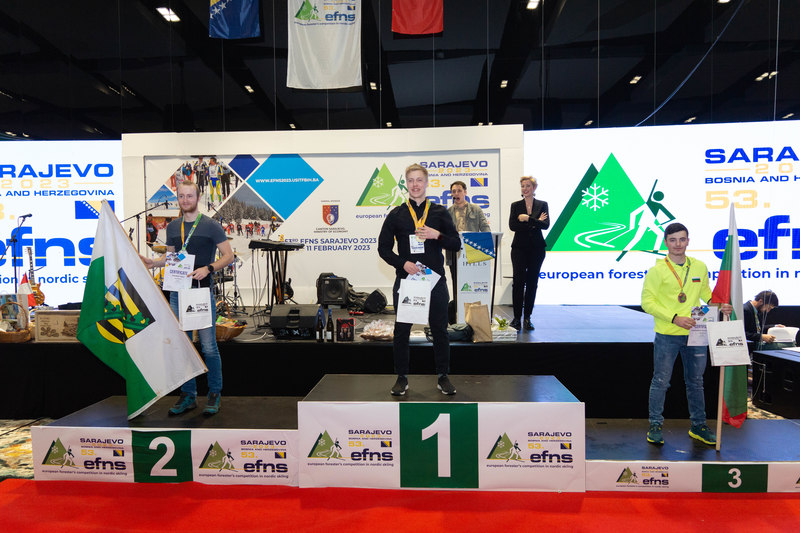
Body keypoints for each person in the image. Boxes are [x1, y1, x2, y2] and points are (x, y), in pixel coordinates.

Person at [140, 180, 234, 416]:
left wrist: (209, 268)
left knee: (209, 347)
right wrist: (153, 262)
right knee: (183, 346)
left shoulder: (211, 226)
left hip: (201, 292)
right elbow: (172, 259)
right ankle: (188, 395)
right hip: (177, 294)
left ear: (198, 198)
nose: (185, 200)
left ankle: (214, 393)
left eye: (189, 196)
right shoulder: (173, 227)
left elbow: (229, 256)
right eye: (181, 196)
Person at [641, 222, 732, 446]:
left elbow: (706, 294)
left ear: (688, 241)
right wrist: (674, 318)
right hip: (667, 334)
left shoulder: (699, 266)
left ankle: (698, 426)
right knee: (661, 381)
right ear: (666, 242)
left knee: (696, 382)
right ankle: (655, 425)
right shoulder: (657, 271)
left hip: (696, 332)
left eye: (682, 239)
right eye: (673, 240)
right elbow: (647, 302)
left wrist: (720, 305)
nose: (678, 244)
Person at [378, 163, 461, 396]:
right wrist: (402, 263)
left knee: (440, 330)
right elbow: (383, 248)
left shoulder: (440, 212)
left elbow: (456, 243)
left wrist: (438, 235)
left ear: (426, 183)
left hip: (434, 282)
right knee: (402, 331)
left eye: (419, 180)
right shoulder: (396, 214)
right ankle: (401, 377)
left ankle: (443, 376)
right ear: (406, 183)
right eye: (411, 180)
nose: (415, 184)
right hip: (408, 281)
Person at [508, 176, 549, 331]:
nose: (525, 189)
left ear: (534, 188)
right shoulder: (516, 205)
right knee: (518, 282)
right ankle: (516, 318)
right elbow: (513, 226)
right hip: (519, 248)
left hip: (537, 249)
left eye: (528, 186)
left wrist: (527, 219)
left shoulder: (542, 204)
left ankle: (527, 318)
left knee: (532, 283)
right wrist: (535, 221)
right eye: (523, 186)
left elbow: (545, 225)